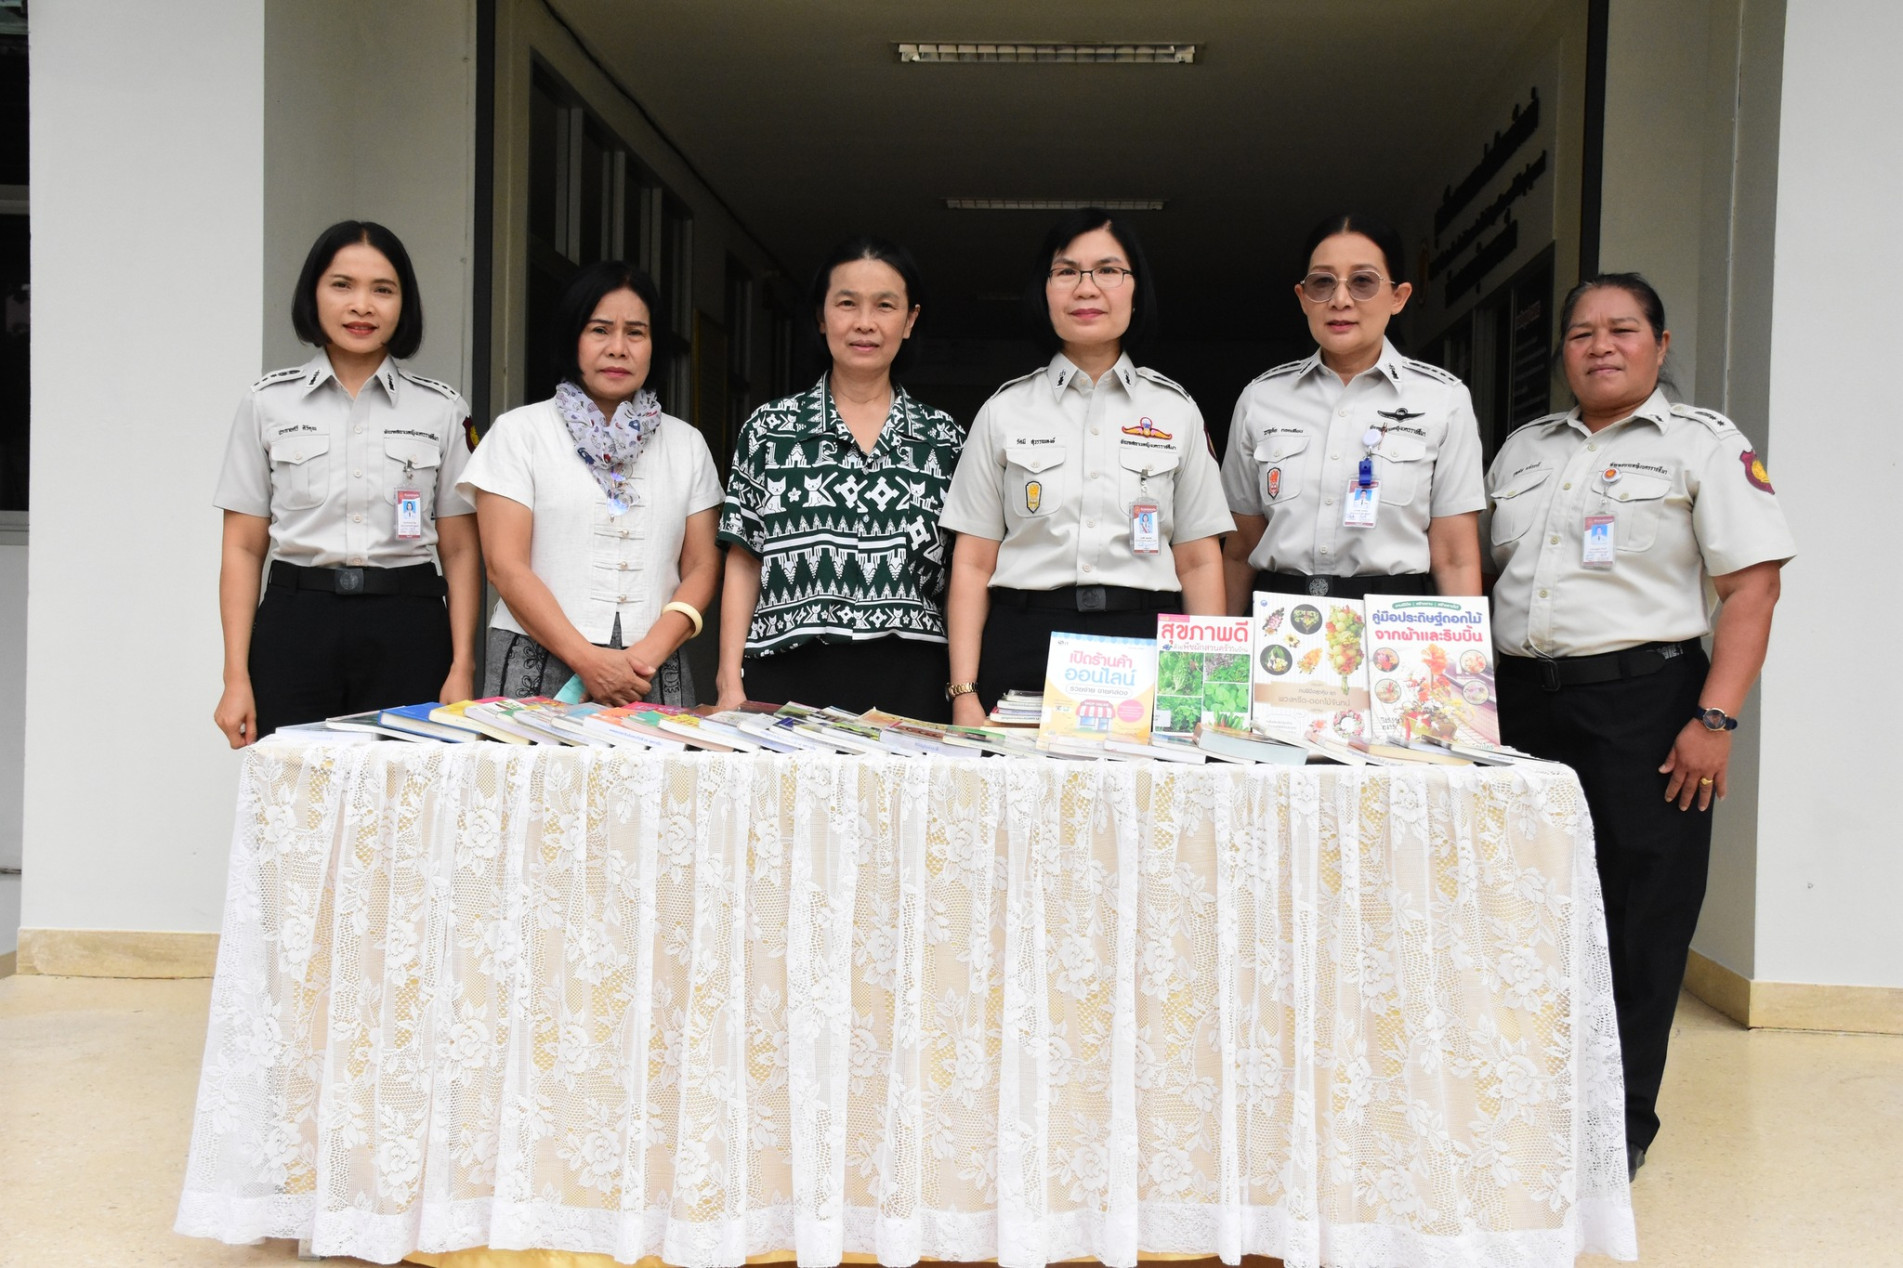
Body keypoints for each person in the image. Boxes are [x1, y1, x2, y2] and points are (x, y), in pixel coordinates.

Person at [1484, 273, 1794, 1179]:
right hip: (1519, 706)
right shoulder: (1521, 451)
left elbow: (1751, 589)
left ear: (1658, 345)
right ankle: (1515, 1105)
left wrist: (1714, 718)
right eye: (1581, 333)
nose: (1599, 346)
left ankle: (1615, 1126)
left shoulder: (1703, 445)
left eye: (1621, 329)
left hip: (1646, 704)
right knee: (1518, 910)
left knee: (1638, 917)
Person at [940, 207, 1234, 726]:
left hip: (1146, 643)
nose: (1086, 288)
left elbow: (1198, 562)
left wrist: (1209, 692)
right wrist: (964, 692)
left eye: (1108, 270)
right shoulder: (1004, 410)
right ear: (1045, 290)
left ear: (1135, 291)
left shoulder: (1177, 411)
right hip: (1025, 642)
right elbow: (973, 562)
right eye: (1067, 271)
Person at [212, 220, 481, 745]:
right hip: (296, 625)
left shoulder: (443, 409)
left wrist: (462, 664)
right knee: (296, 790)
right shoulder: (267, 403)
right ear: (313, 294)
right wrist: (235, 677)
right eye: (342, 285)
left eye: (382, 289)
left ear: (404, 303)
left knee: (406, 790)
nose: (362, 306)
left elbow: (461, 550)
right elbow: (242, 548)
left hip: (409, 625)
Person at [714, 236, 964, 721]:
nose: (864, 322)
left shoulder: (945, 440)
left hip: (913, 681)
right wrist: (729, 678)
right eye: (847, 303)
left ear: (909, 320)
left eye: (884, 305)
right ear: (821, 317)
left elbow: (964, 574)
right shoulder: (769, 430)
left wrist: (962, 689)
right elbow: (744, 560)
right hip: (785, 677)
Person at [458, 260, 722, 705]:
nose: (618, 348)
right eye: (600, 330)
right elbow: (504, 565)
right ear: (572, 337)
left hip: (652, 669)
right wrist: (589, 662)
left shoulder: (687, 445)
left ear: (654, 344)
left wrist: (643, 659)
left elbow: (702, 566)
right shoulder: (520, 433)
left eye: (635, 332)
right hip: (536, 662)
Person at [1219, 212, 1484, 608]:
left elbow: (1455, 557)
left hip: (1395, 622)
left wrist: (1463, 644)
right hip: (1279, 620)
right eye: (1322, 282)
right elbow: (1240, 550)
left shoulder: (1442, 400)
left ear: (1398, 297)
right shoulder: (1261, 398)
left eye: (1362, 281)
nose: (1340, 300)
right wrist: (1219, 640)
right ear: (1303, 298)